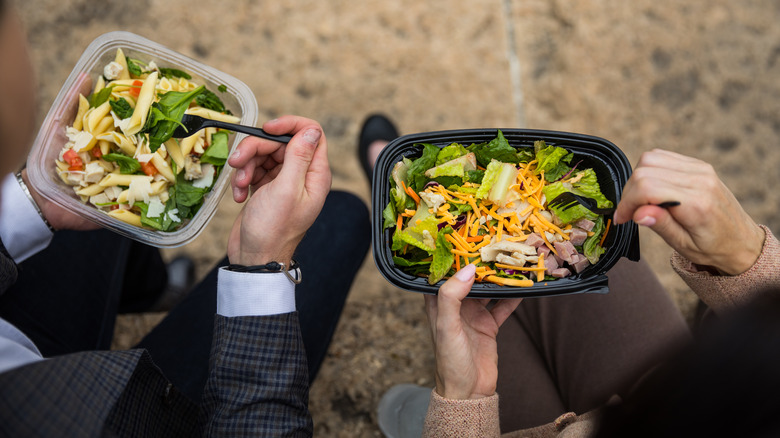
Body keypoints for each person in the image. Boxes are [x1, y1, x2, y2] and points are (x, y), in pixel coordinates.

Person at [0, 2, 370, 435]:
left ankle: (155, 292)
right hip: (115, 412)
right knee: (341, 218)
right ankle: (157, 290)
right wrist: (264, 264)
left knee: (111, 219)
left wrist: (32, 205)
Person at [362, 115, 780, 437]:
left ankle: (421, 418)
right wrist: (746, 262)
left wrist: (461, 403)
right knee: (605, 270)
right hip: (659, 399)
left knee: (474, 324)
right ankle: (400, 182)